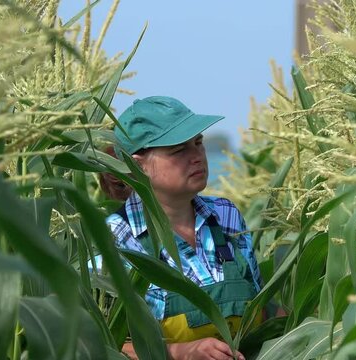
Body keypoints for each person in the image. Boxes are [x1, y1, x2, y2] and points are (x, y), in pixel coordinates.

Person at [103, 96, 262, 360]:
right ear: (137, 164)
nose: (197, 157)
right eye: (179, 150)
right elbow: (99, 343)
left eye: (198, 143)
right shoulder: (113, 240)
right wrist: (179, 353)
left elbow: (262, 308)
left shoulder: (226, 216)